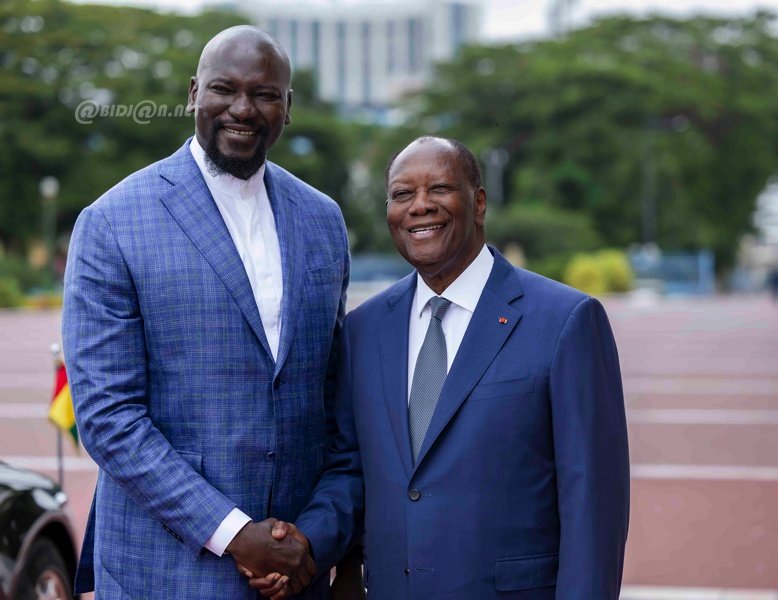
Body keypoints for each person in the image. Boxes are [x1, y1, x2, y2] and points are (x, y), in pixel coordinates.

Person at [258, 136, 630, 599]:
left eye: (439, 189)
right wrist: (304, 547)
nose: (420, 206)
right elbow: (351, 472)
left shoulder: (565, 321)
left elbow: (593, 503)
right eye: (402, 194)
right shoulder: (363, 330)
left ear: (479, 203)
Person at [62, 26, 358, 598]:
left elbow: (330, 401)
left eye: (264, 94)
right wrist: (235, 534)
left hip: (295, 571)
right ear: (194, 92)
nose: (243, 109)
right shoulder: (112, 223)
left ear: (288, 107)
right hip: (166, 572)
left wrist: (314, 540)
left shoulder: (322, 219)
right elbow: (107, 416)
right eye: (225, 89)